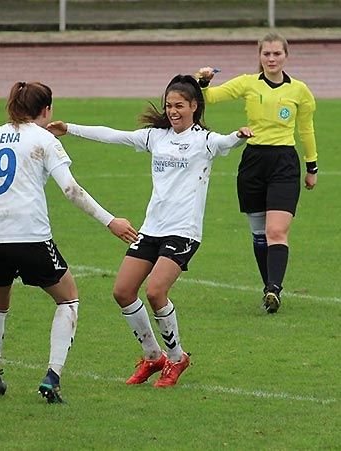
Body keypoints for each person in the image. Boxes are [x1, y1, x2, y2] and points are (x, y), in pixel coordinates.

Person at [47, 75, 252, 387]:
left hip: (183, 232)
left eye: (179, 105)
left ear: (194, 106)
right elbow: (112, 135)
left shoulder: (205, 141)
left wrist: (239, 135)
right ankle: (153, 355)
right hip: (152, 229)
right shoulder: (156, 137)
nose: (172, 111)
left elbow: (226, 142)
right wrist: (69, 128)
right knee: (122, 291)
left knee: (156, 292)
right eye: (169, 105)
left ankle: (177, 358)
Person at [0, 81, 136, 403]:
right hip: (30, 235)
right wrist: (110, 220)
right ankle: (52, 376)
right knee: (68, 299)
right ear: (46, 110)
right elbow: (71, 190)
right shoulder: (44, 139)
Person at [196, 32, 318, 314]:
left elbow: (306, 130)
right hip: (253, 162)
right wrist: (203, 81)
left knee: (276, 231)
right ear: (259, 56)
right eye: (267, 54)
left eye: (277, 54)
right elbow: (209, 98)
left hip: (284, 163)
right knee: (259, 234)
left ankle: (274, 287)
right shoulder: (247, 83)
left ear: (286, 56)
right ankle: (269, 290)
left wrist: (311, 165)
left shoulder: (300, 91)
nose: (272, 59)